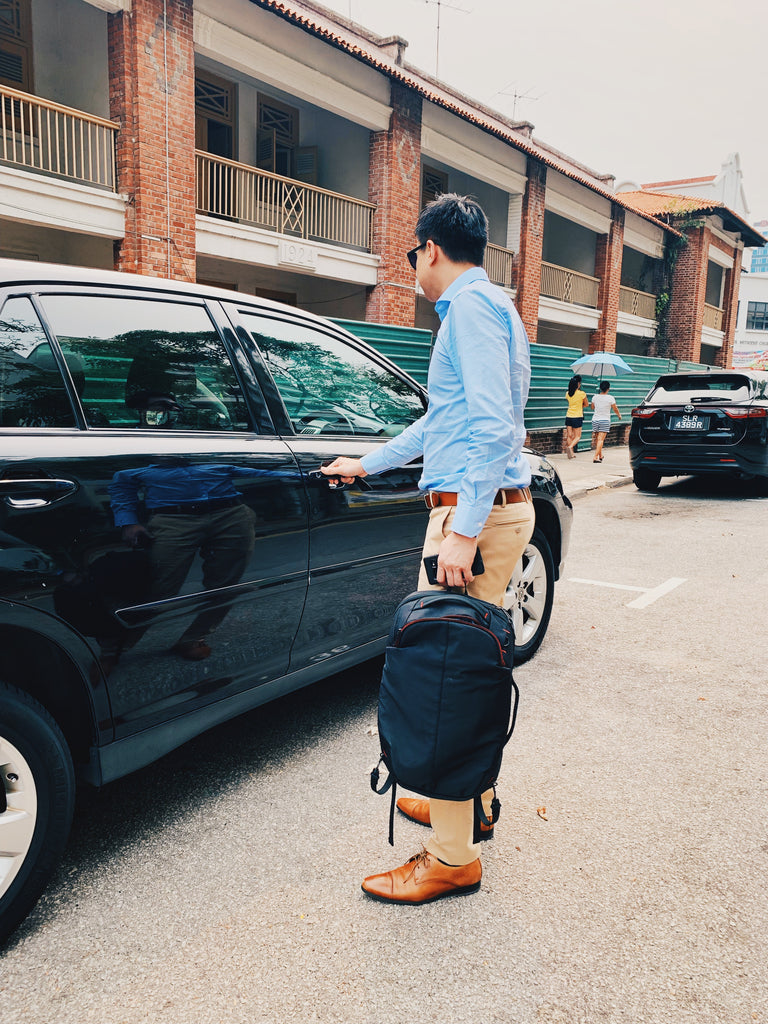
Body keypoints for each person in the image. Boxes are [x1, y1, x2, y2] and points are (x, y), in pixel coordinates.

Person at [320, 194, 535, 905]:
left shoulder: (470, 311)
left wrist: (465, 530)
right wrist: (368, 464)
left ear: (430, 250)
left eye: (413, 255)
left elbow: (492, 427)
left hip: (474, 516)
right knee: (466, 668)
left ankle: (451, 856)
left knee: (447, 675)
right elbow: (441, 424)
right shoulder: (493, 307)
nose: (413, 267)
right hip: (488, 510)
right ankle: (471, 805)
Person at [590, 380, 622, 462]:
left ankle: (601, 455)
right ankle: (595, 457)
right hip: (604, 420)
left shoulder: (594, 397)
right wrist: (619, 415)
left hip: (595, 420)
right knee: (601, 440)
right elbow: (615, 408)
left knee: (598, 439)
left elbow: (592, 407)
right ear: (608, 389)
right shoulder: (610, 398)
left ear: (600, 388)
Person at [563, 374, 588, 458]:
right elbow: (586, 404)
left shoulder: (567, 394)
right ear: (578, 384)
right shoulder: (582, 394)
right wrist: (580, 405)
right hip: (577, 416)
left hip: (569, 416)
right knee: (577, 436)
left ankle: (571, 453)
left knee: (570, 435)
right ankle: (570, 447)